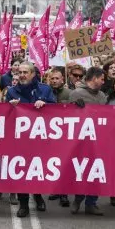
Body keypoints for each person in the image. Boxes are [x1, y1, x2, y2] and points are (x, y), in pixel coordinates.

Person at [5, 62, 55, 218]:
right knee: (21, 171)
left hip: (39, 138)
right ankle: (24, 204)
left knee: (37, 170)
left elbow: (57, 111)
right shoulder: (12, 91)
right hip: (20, 140)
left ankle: (38, 196)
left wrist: (46, 105)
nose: (22, 75)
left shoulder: (45, 89)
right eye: (20, 72)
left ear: (33, 74)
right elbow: (5, 115)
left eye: (25, 72)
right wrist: (10, 107)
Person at [68, 67, 108, 216]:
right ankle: (78, 199)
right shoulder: (76, 93)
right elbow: (66, 115)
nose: (104, 82)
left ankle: (91, 203)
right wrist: (73, 106)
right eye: (102, 79)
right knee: (82, 170)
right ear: (94, 78)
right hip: (81, 140)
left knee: (95, 171)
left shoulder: (103, 96)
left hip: (98, 139)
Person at [47, 66, 71, 207]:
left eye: (57, 78)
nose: (55, 81)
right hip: (49, 134)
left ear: (63, 79)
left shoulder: (69, 93)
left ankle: (64, 193)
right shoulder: (45, 91)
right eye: (52, 78)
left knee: (64, 163)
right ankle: (55, 189)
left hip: (65, 134)